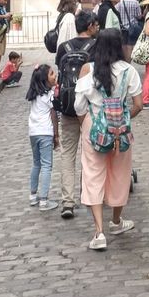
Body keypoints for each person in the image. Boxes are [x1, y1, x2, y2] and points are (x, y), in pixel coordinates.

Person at [74, 28, 143, 251]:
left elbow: (78, 106)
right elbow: (138, 104)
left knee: (93, 175)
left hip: (93, 126)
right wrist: (123, 118)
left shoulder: (88, 69)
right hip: (119, 130)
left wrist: (88, 121)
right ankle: (116, 221)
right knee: (120, 175)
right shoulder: (128, 71)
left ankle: (99, 232)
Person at [56, 11, 100, 217]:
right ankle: (89, 193)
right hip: (90, 108)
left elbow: (59, 77)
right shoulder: (96, 47)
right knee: (91, 153)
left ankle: (67, 201)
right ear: (90, 26)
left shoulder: (63, 48)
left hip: (67, 107)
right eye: (96, 25)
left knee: (68, 153)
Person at [25, 63, 59, 211]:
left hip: (33, 133)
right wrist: (56, 135)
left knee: (36, 163)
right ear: (45, 79)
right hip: (45, 132)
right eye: (52, 74)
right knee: (46, 165)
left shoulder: (34, 95)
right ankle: (44, 200)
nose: (55, 75)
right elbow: (53, 116)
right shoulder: (49, 96)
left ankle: (33, 196)